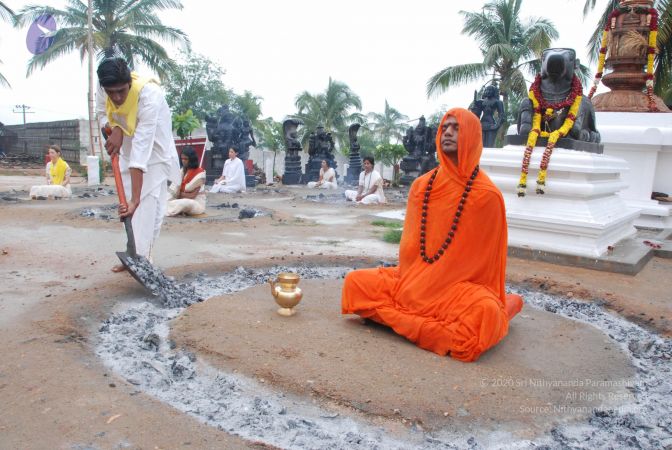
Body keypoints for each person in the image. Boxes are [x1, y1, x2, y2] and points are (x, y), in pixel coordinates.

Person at [341, 108, 523, 362]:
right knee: (355, 282)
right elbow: (411, 250)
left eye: (456, 128)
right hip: (411, 284)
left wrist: (439, 284)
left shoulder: (487, 197)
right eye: (444, 127)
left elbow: (485, 270)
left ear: (471, 136)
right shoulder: (421, 186)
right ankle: (432, 329)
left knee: (484, 313)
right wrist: (415, 285)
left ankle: (396, 319)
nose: (447, 132)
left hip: (453, 293)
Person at [95, 57, 181, 271]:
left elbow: (142, 152)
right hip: (126, 148)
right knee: (135, 208)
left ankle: (142, 259)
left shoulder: (150, 96)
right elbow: (101, 113)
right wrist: (113, 127)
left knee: (147, 204)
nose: (116, 97)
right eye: (110, 92)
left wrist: (134, 200)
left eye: (121, 91)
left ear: (129, 84)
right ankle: (134, 253)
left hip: (154, 151)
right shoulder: (102, 87)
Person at [166, 147, 206, 216]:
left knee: (184, 203)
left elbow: (192, 195)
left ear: (191, 159)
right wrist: (177, 194)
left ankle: (167, 209)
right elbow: (173, 190)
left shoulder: (200, 173)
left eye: (185, 159)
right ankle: (169, 208)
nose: (183, 161)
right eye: (182, 159)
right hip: (180, 199)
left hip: (196, 204)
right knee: (164, 197)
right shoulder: (182, 171)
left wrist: (178, 194)